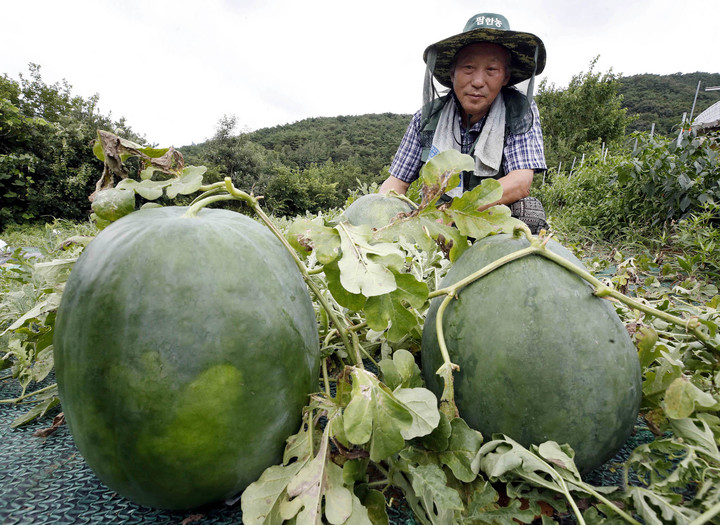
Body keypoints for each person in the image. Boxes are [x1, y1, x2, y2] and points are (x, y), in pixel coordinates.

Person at [379, 13, 549, 233]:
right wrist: (381, 214)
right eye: (468, 68)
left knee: (530, 212)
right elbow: (396, 183)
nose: (478, 82)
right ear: (452, 73)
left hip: (490, 219)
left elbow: (520, 181)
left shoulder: (519, 113)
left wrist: (459, 211)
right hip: (436, 223)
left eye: (491, 70)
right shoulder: (426, 119)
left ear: (505, 77)